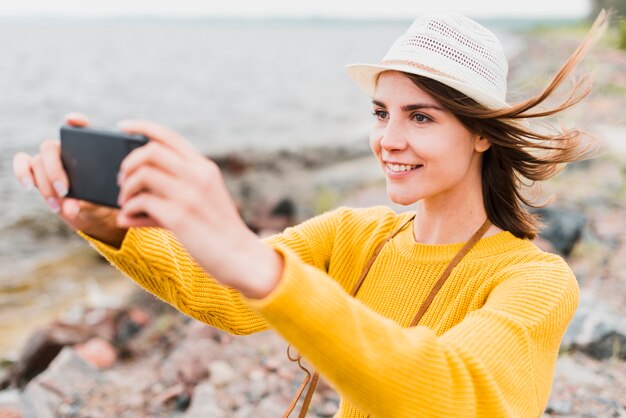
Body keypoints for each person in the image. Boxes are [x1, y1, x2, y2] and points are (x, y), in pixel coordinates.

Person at [12, 11, 608, 418]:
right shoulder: (356, 234)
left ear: (482, 136)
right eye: (382, 113)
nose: (389, 140)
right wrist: (109, 226)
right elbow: (219, 295)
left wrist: (257, 261)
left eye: (420, 117)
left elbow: (451, 389)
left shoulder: (534, 282)